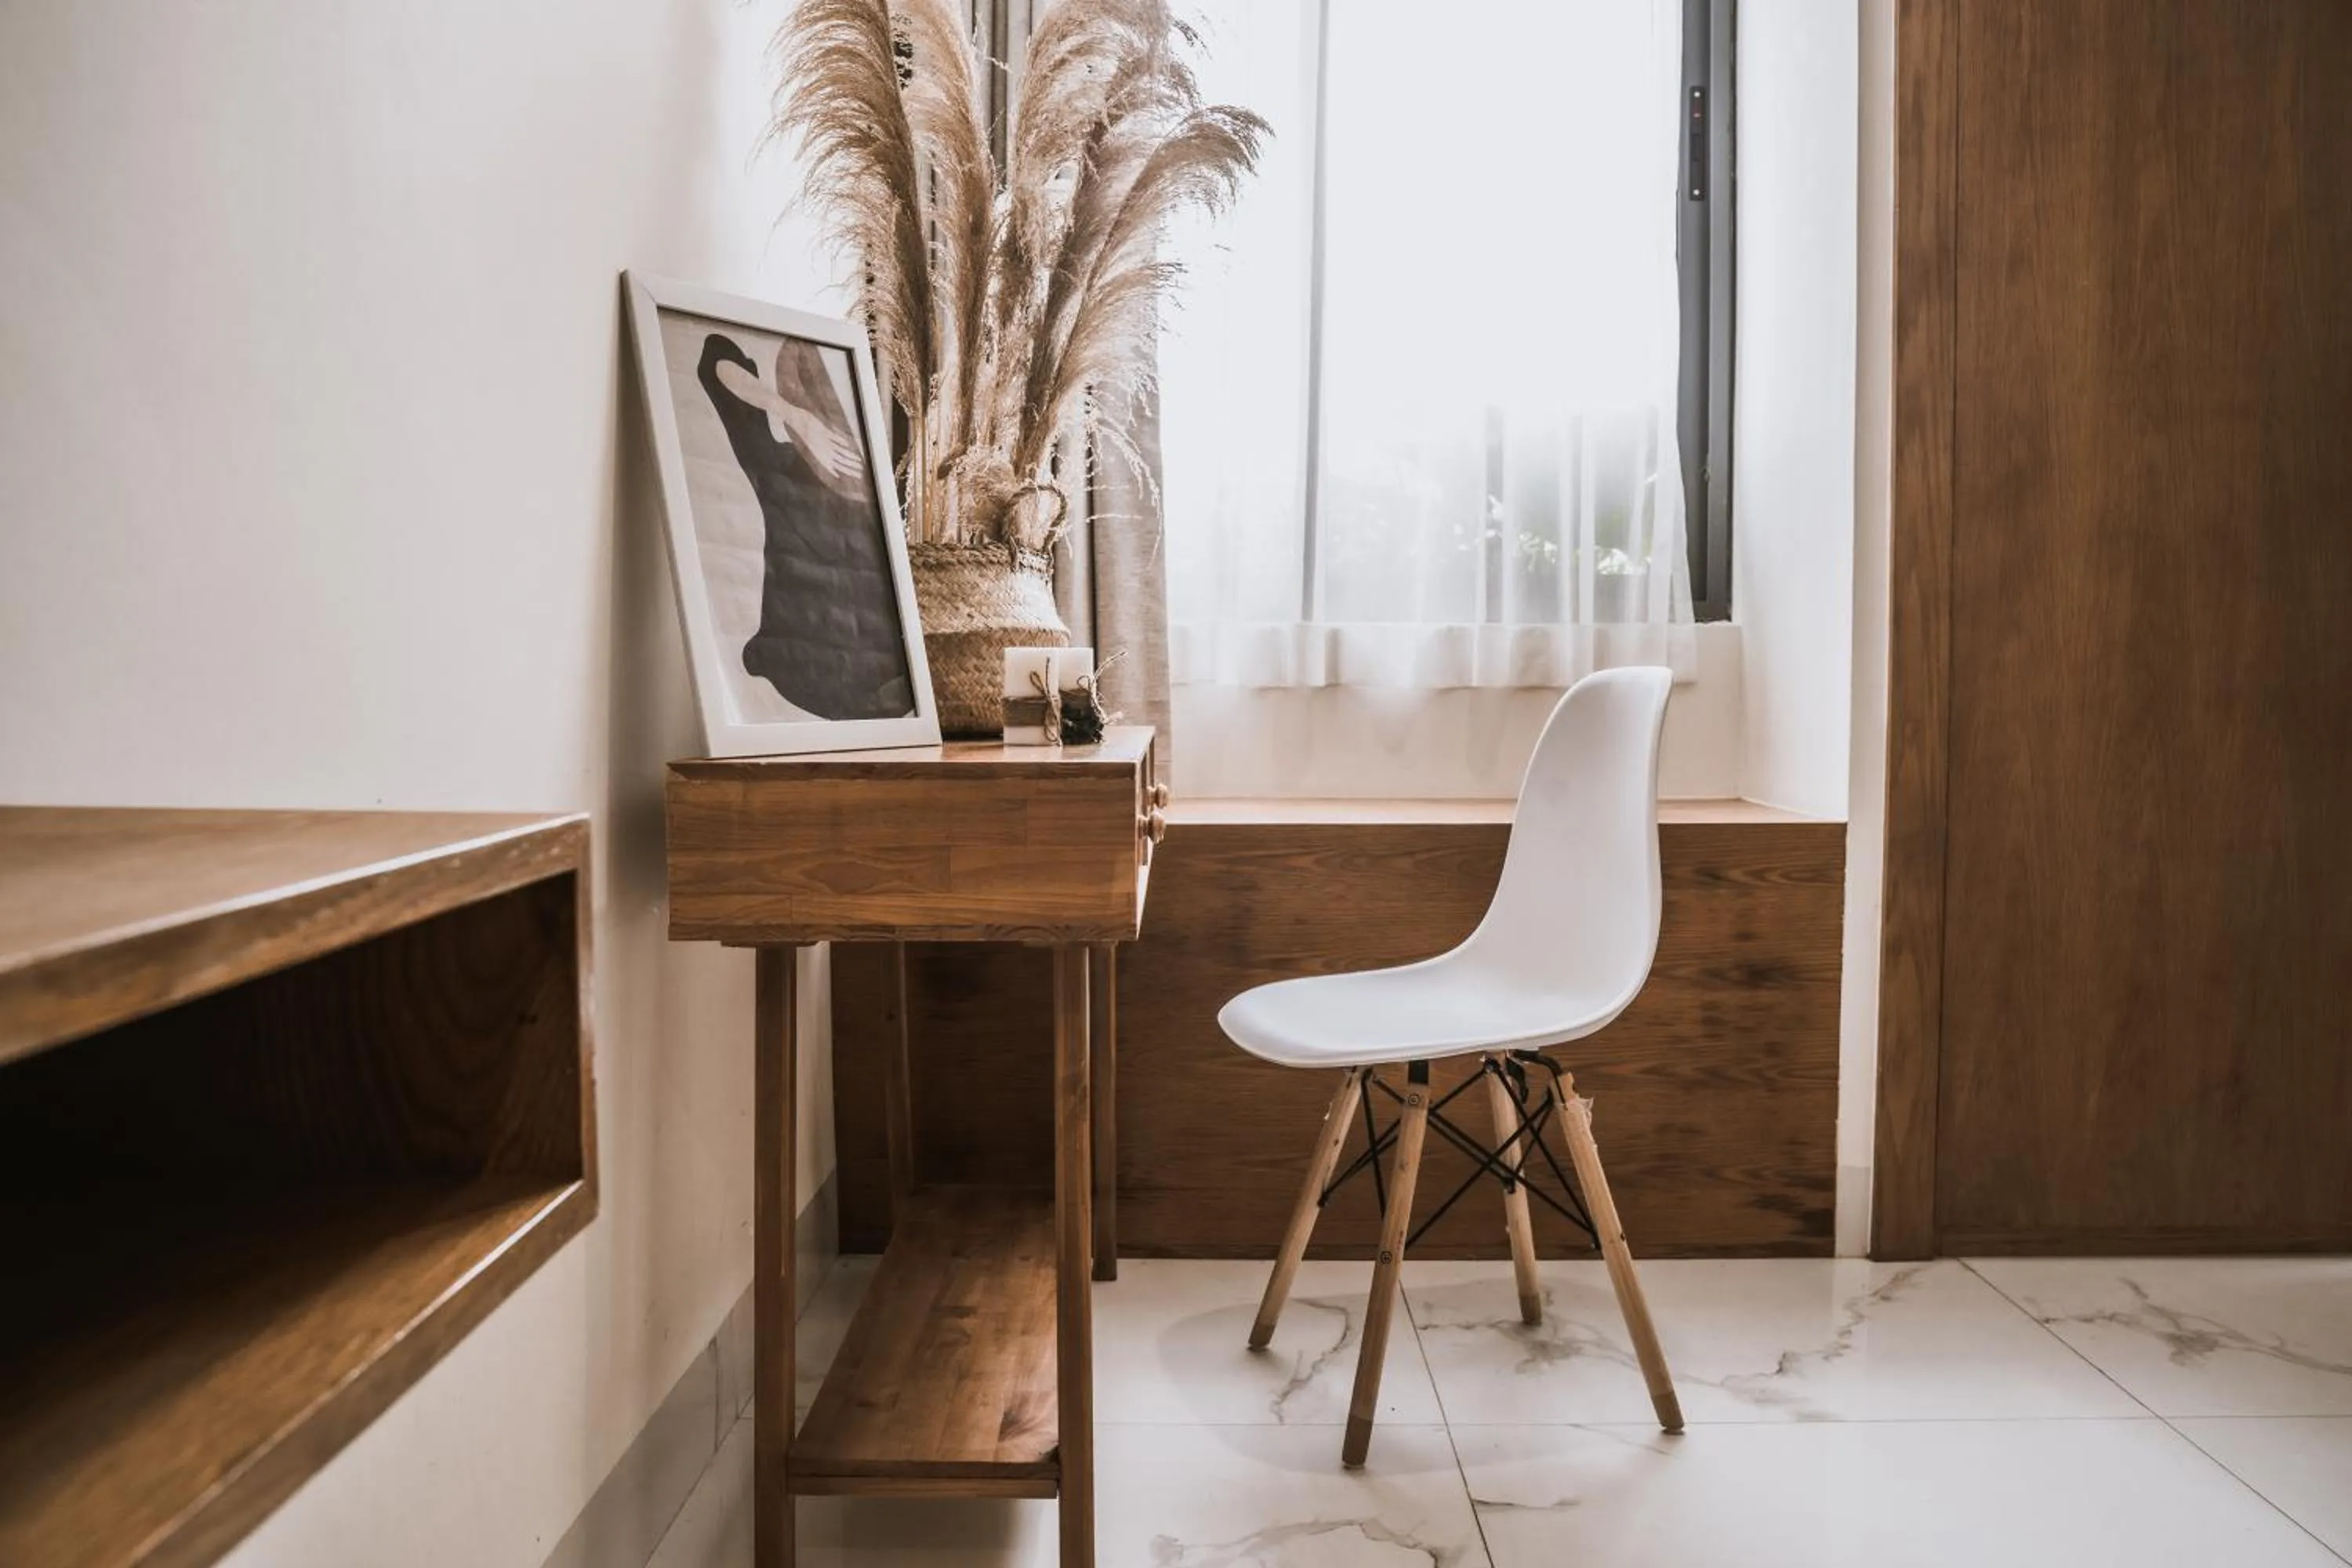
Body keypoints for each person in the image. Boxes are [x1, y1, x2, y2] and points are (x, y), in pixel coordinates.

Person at [697, 331, 913, 720]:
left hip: (868, 675)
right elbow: (716, 361)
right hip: (815, 667)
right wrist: (798, 417)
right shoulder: (780, 465)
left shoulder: (868, 498)